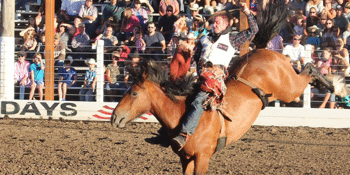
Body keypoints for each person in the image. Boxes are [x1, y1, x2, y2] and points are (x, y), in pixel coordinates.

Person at [171, 3, 258, 151]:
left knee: (198, 101)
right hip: (201, 76)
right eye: (213, 23)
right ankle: (165, 133)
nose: (214, 24)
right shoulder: (204, 39)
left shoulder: (232, 39)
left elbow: (254, 30)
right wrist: (200, 72)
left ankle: (185, 134)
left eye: (217, 23)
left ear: (225, 24)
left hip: (216, 79)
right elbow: (197, 58)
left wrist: (247, 12)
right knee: (176, 94)